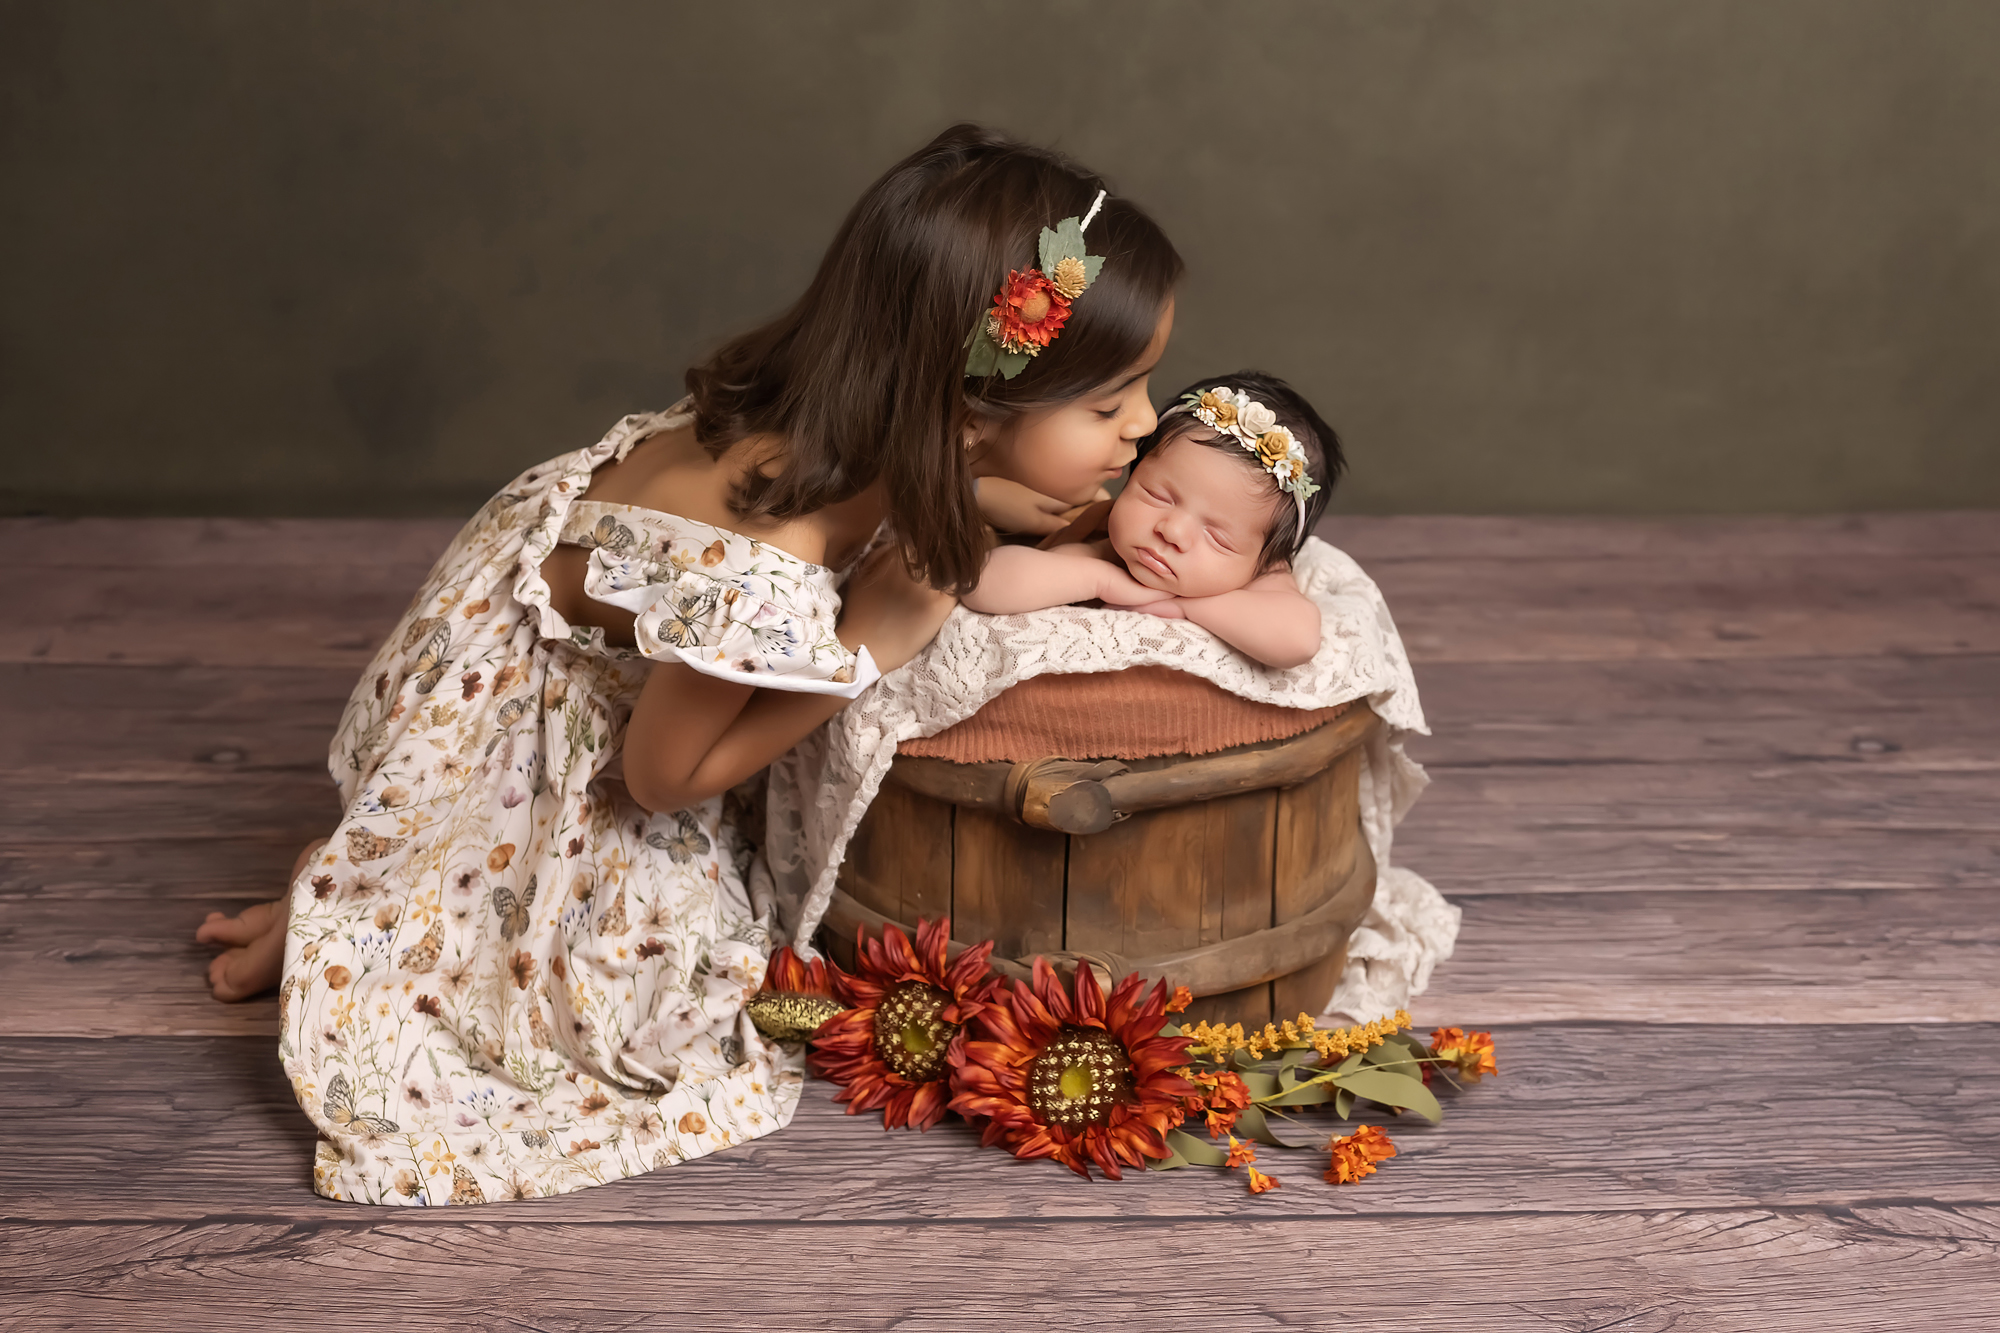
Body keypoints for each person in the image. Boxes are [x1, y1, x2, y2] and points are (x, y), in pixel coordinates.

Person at [194, 123, 1182, 1205]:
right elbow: (659, 777)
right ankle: (393, 890)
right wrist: (863, 650)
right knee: (663, 1009)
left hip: (500, 634)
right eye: (1105, 404)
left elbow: (952, 487)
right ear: (963, 413)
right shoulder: (765, 550)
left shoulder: (827, 420)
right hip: (516, 736)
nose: (1141, 424)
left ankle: (375, 876)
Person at [962, 372, 1342, 668]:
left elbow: (1299, 641)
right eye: (1157, 496)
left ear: (1268, 557)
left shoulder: (1261, 579)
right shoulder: (1108, 553)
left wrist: (1184, 607)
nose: (1172, 531)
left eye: (1218, 537)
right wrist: (1102, 580)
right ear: (1132, 473)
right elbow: (984, 583)